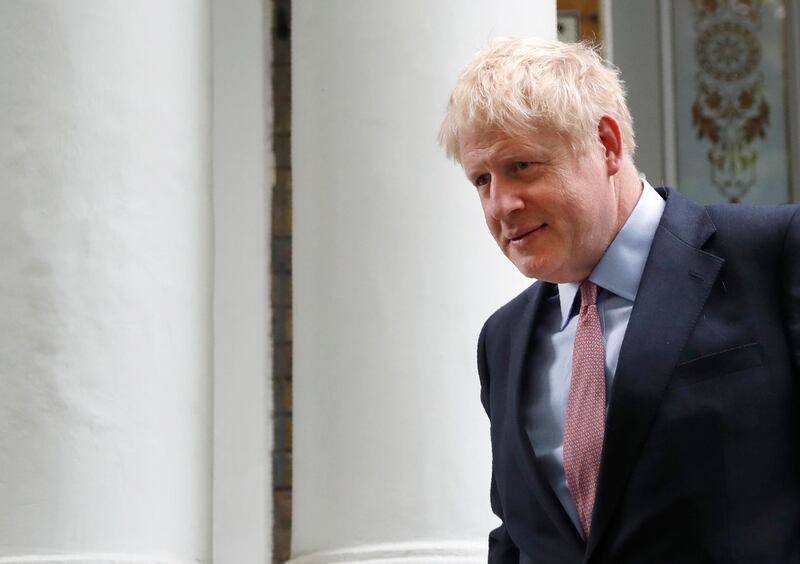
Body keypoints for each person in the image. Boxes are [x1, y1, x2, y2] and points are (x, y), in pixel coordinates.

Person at [439, 38, 800, 564]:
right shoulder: (502, 340)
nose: (502, 205)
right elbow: (517, 538)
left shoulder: (772, 253)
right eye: (482, 180)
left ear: (606, 144)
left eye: (522, 166)